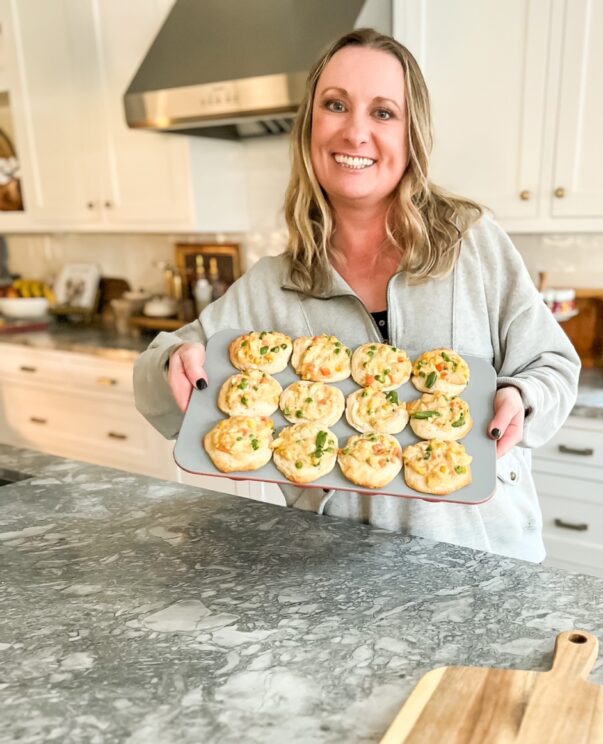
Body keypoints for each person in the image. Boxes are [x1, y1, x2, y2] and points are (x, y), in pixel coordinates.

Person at [133, 28, 580, 562]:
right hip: (334, 578)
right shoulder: (274, 286)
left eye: (384, 112)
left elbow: (553, 364)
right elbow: (153, 381)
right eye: (336, 105)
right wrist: (172, 366)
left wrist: (522, 398)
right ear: (309, 127)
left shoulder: (471, 242)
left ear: (413, 135)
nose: (355, 132)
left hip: (485, 563)